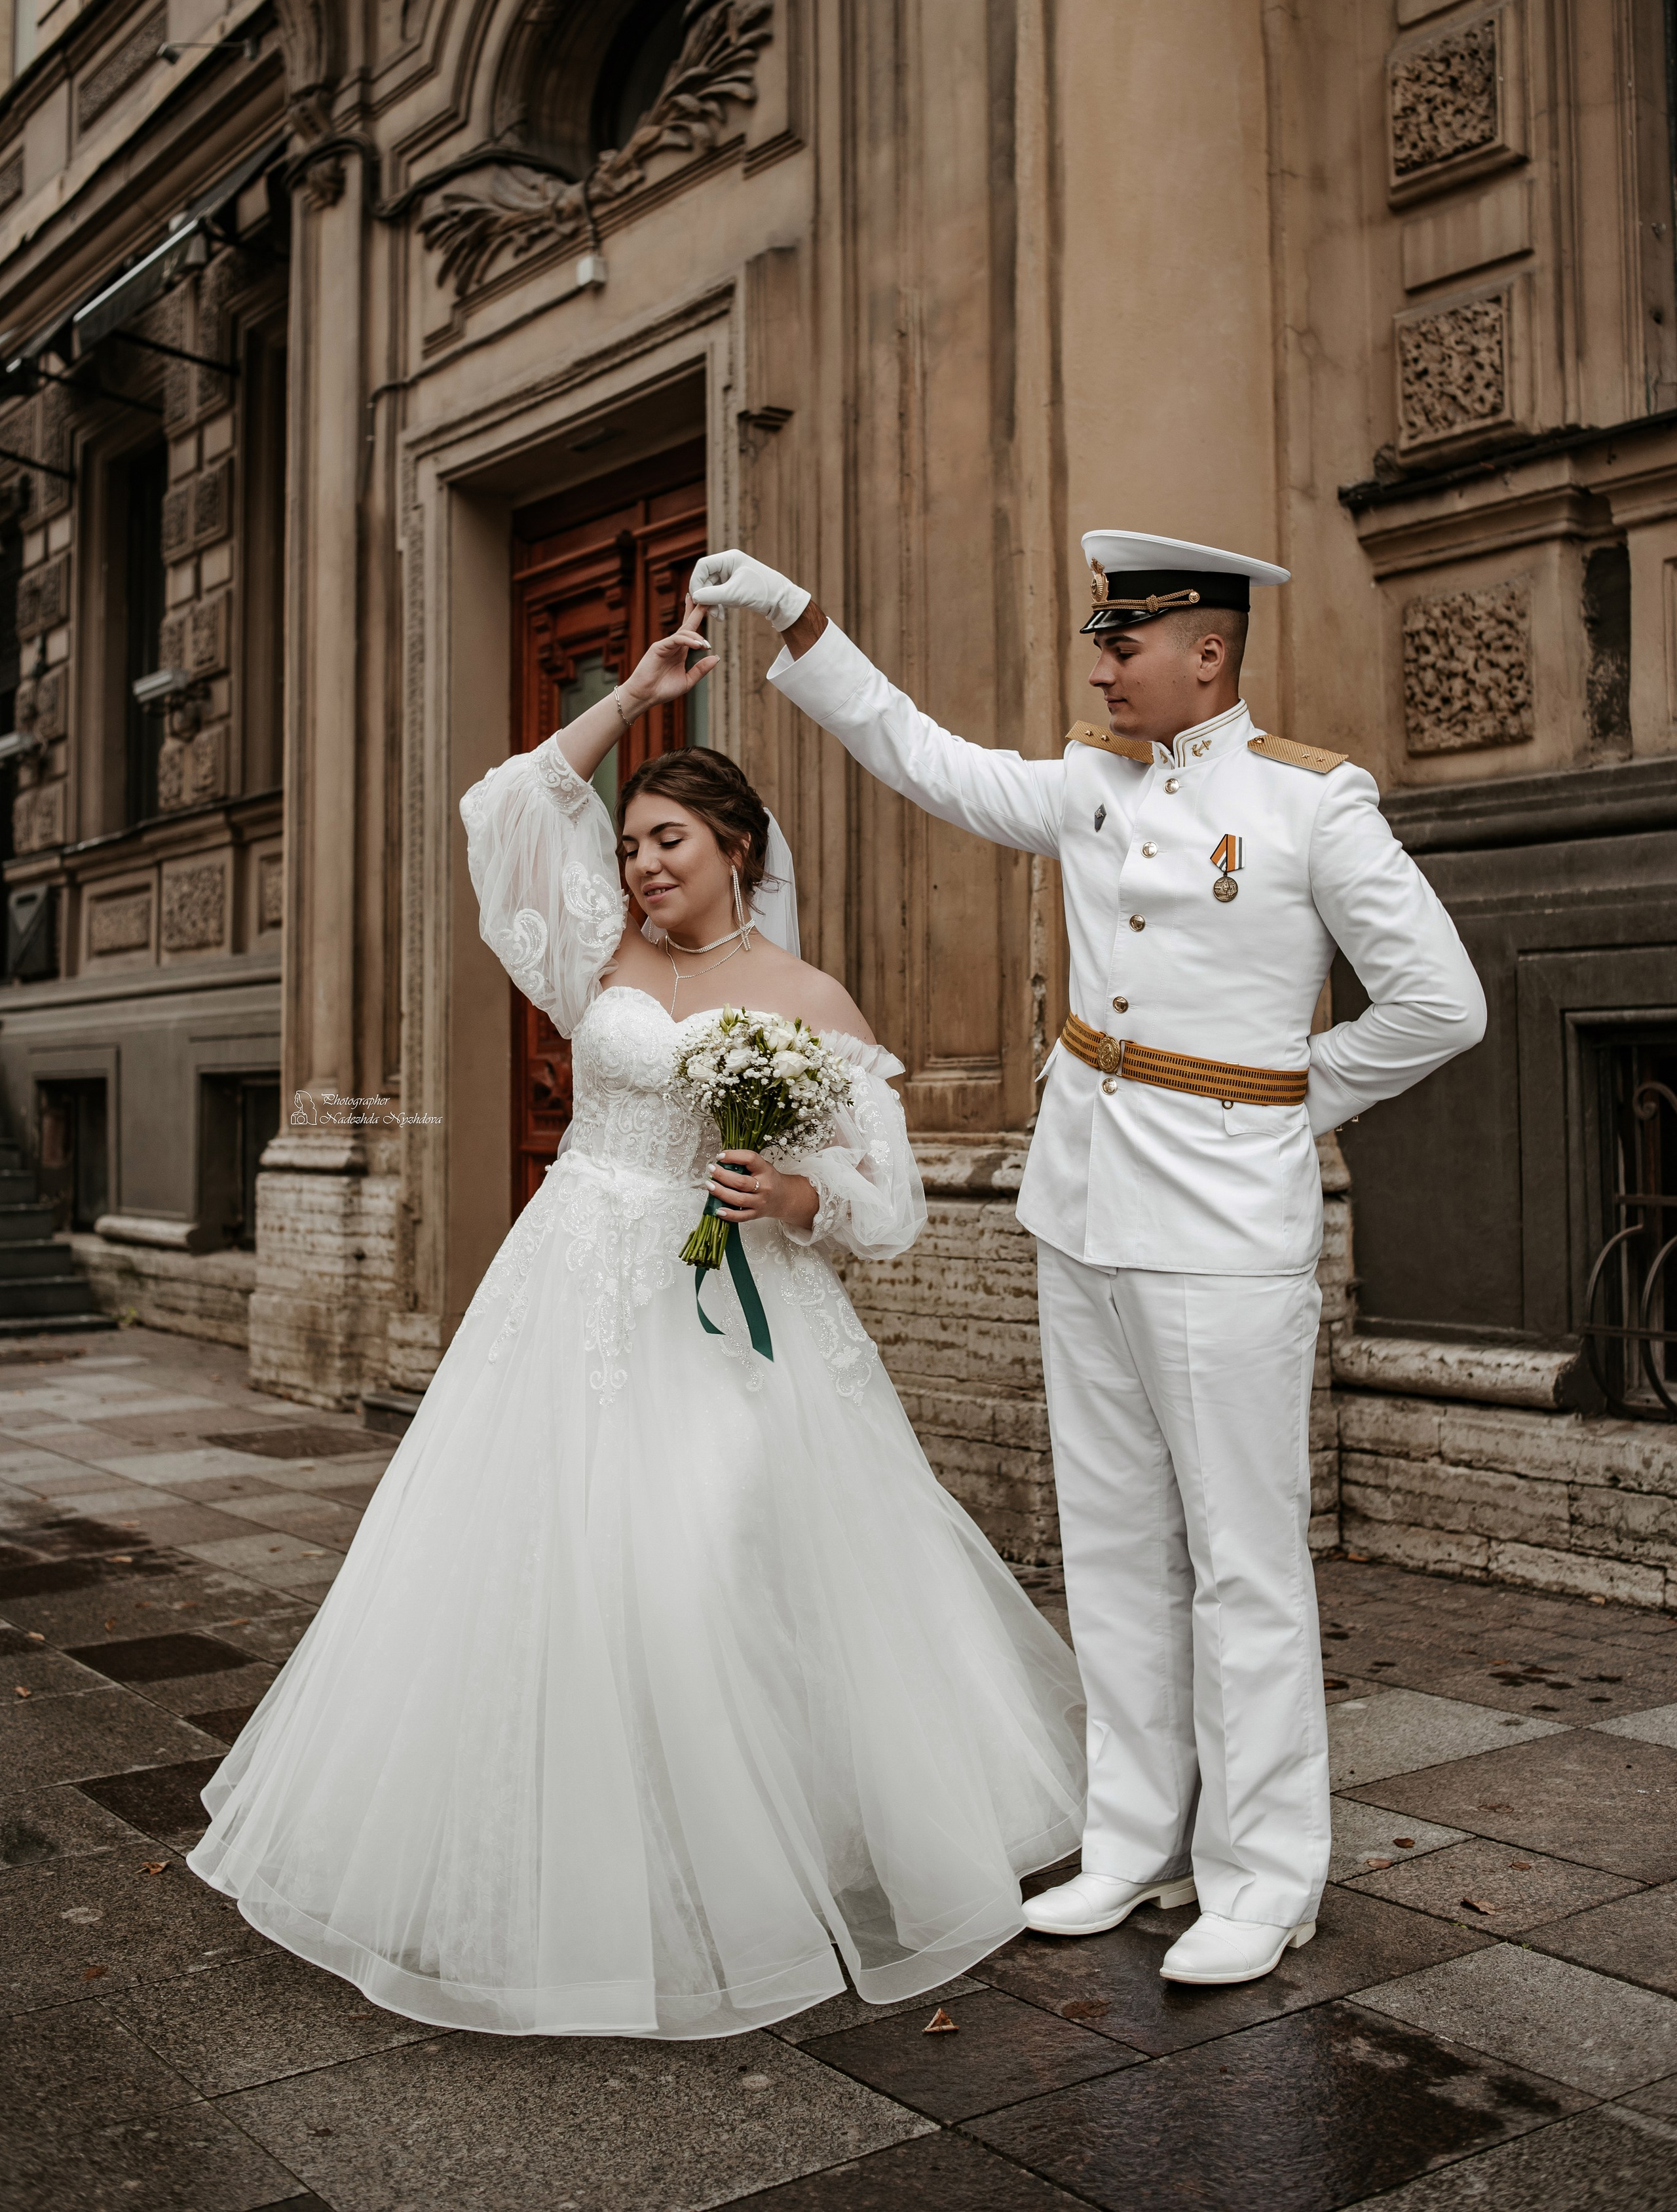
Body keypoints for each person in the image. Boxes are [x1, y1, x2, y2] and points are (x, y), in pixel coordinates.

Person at [189, 607, 1084, 2040]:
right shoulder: (595, 960)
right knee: (545, 1568)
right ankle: (580, 1860)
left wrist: (795, 1192)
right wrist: (627, 706)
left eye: (668, 838)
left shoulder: (805, 1000)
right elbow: (500, 811)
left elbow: (891, 1204)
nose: (640, 863)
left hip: (731, 1323)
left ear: (739, 848)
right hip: (567, 1294)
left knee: (707, 1559)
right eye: (629, 842)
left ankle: (760, 1856)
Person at [689, 530, 1486, 1987]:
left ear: (1209, 650)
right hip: (1082, 1207)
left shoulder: (1310, 801)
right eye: (1097, 640)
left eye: (1126, 642)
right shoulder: (1082, 784)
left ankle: (1263, 1872)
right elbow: (915, 752)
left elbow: (1438, 1001)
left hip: (1225, 1226)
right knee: (1113, 1547)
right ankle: (1132, 1840)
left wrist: (1293, 1092)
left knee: (1243, 1563)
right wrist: (802, 621)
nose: (1101, 665)